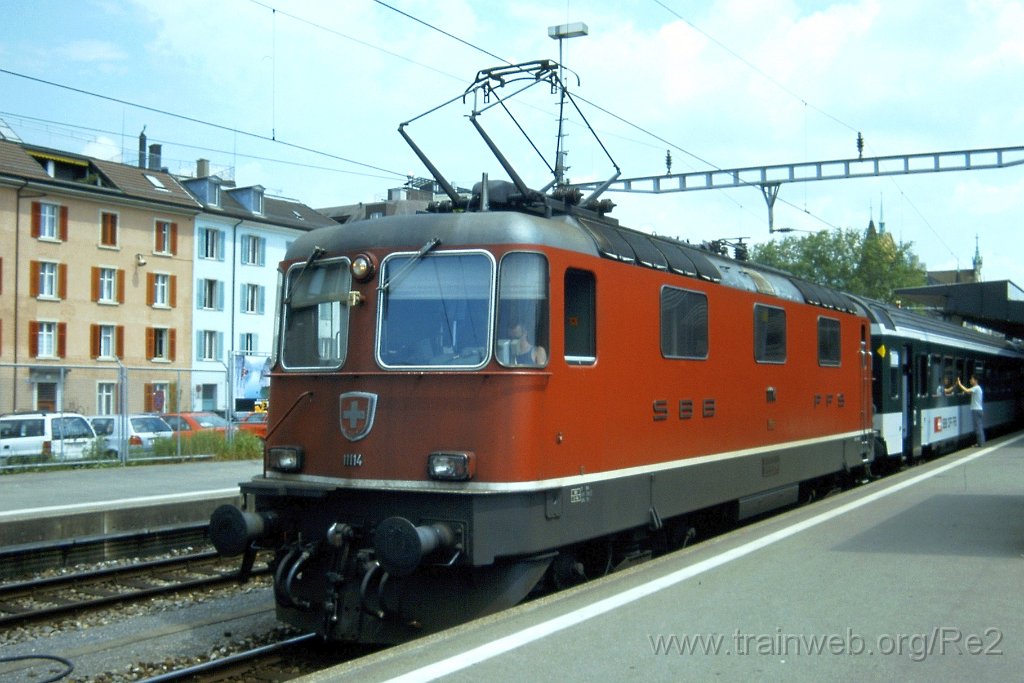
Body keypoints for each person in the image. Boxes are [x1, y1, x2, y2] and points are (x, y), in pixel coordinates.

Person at [956, 374, 985, 446]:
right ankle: (981, 442)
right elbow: (969, 392)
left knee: (978, 427)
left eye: (972, 379)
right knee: (979, 426)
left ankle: (979, 443)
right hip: (979, 409)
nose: (970, 380)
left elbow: (967, 390)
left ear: (976, 380)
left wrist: (959, 384)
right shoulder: (978, 389)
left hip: (976, 410)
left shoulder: (976, 388)